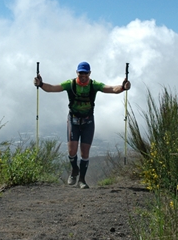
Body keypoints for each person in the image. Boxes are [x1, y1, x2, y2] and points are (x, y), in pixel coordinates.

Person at [33, 61, 131, 189]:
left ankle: (82, 180)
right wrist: (40, 84)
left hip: (88, 121)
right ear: (77, 73)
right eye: (81, 73)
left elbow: (112, 89)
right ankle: (74, 170)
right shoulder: (70, 84)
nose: (83, 75)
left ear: (89, 73)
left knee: (85, 153)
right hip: (73, 120)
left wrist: (123, 87)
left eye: (85, 73)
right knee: (72, 150)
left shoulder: (94, 85)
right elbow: (52, 88)